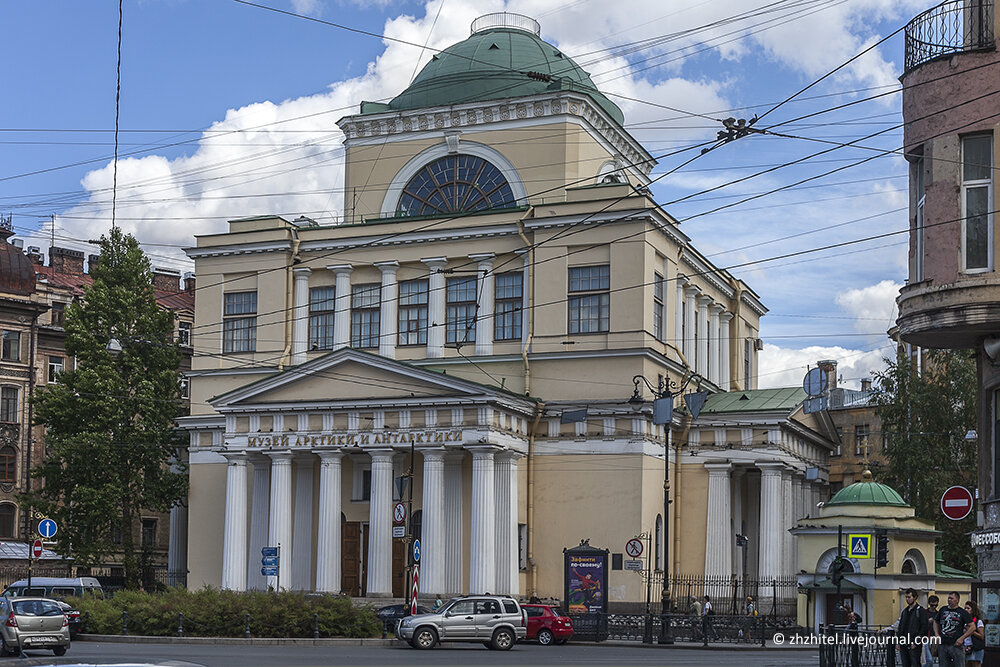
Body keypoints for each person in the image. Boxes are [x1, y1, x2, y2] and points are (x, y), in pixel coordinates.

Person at [882, 589, 929, 667]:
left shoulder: (920, 611)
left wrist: (916, 641)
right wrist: (898, 642)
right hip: (904, 643)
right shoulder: (905, 611)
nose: (907, 599)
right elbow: (900, 627)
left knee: (916, 663)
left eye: (909, 597)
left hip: (914, 643)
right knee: (905, 664)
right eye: (906, 597)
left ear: (915, 597)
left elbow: (924, 628)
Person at [934, 591, 975, 667]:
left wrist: (962, 638)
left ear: (957, 600)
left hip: (956, 645)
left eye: (951, 598)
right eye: (948, 598)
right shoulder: (943, 609)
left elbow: (972, 627)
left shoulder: (962, 612)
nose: (949, 600)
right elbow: (936, 621)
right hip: (943, 644)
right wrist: (937, 634)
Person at [963, 600, 985, 667]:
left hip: (975, 648)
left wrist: (970, 630)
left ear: (973, 610)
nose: (966, 610)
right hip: (966, 647)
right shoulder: (964, 621)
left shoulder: (978, 621)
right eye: (965, 608)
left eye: (968, 608)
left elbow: (981, 636)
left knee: (975, 664)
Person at [926, 595, 940, 666]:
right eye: (932, 605)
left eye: (936, 605)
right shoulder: (925, 613)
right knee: (929, 659)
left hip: (935, 638)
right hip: (926, 638)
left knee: (933, 657)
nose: (934, 607)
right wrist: (927, 621)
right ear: (929, 603)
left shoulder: (938, 614)